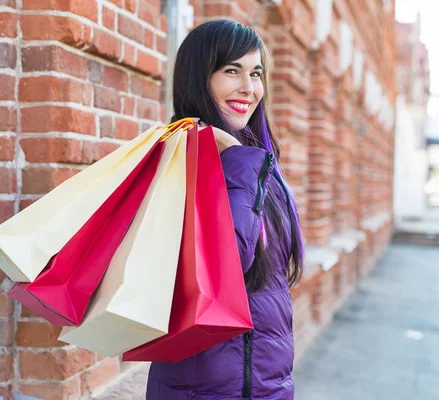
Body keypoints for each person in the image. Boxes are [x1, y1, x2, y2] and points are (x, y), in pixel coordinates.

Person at [146, 19, 305, 399]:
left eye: (256, 73)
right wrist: (237, 163)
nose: (249, 88)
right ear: (200, 78)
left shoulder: (254, 161)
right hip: (204, 388)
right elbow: (225, 265)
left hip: (266, 382)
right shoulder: (181, 160)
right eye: (231, 71)